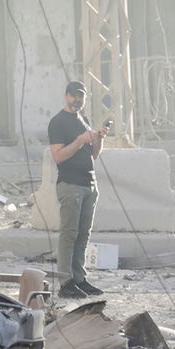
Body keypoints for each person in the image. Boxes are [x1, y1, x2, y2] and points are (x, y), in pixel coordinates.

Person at [47, 80, 106, 299]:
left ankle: (79, 278)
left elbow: (93, 155)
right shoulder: (58, 122)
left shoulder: (84, 119)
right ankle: (66, 282)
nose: (76, 100)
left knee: (83, 234)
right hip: (70, 184)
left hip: (89, 184)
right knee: (69, 234)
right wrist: (81, 140)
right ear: (65, 96)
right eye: (73, 95)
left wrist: (98, 139)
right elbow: (58, 156)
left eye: (80, 96)